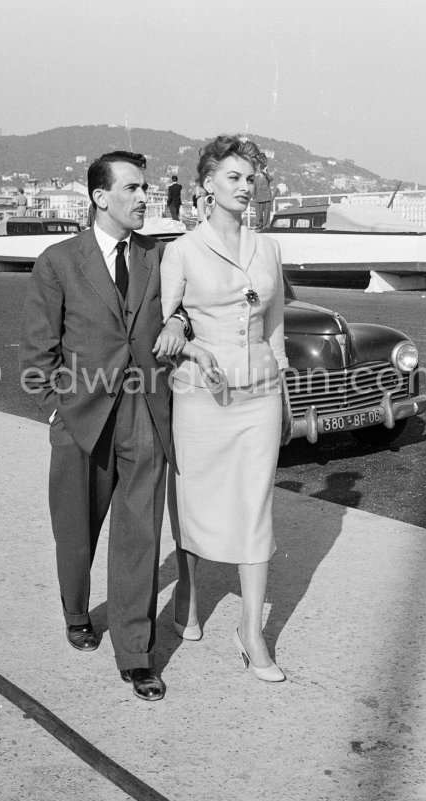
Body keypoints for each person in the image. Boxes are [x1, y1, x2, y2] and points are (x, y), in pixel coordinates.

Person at [19, 150, 188, 702]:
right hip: (81, 417)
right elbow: (38, 349)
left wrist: (181, 321)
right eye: (134, 189)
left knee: (140, 534)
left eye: (147, 188)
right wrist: (56, 409)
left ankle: (137, 655)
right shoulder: (58, 261)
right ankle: (76, 610)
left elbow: (192, 303)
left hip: (144, 412)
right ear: (100, 197)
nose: (146, 198)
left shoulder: (158, 256)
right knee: (76, 529)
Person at [159, 135, 289, 683]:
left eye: (249, 178)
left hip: (258, 393)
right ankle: (189, 591)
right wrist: (188, 343)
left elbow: (276, 324)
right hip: (200, 396)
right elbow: (163, 328)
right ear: (207, 185)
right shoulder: (182, 250)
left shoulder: (269, 248)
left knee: (255, 504)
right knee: (196, 497)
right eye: (232, 177)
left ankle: (251, 632)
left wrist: (284, 398)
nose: (244, 187)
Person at [253, 153, 273, 231]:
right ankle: (259, 226)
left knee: (266, 214)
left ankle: (266, 227)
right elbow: (254, 184)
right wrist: (254, 195)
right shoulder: (255, 172)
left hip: (267, 196)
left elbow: (270, 179)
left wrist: (265, 172)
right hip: (258, 197)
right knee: (259, 214)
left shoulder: (265, 169)